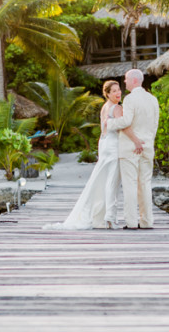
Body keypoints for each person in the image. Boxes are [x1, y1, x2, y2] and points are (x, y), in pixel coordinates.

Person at [43, 80, 141, 230]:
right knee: (112, 182)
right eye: (113, 91)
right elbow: (125, 127)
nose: (118, 93)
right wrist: (136, 141)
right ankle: (110, 216)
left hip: (104, 144)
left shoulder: (105, 107)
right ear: (107, 94)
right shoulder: (117, 108)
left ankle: (104, 215)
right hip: (113, 146)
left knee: (101, 179)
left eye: (118, 90)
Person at [106, 68, 160, 229]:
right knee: (145, 183)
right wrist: (147, 141)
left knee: (129, 184)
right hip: (147, 146)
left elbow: (126, 121)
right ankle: (146, 221)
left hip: (130, 147)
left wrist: (110, 124)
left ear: (134, 81)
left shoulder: (130, 99)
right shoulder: (153, 100)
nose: (124, 82)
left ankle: (130, 222)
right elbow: (155, 125)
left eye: (126, 79)